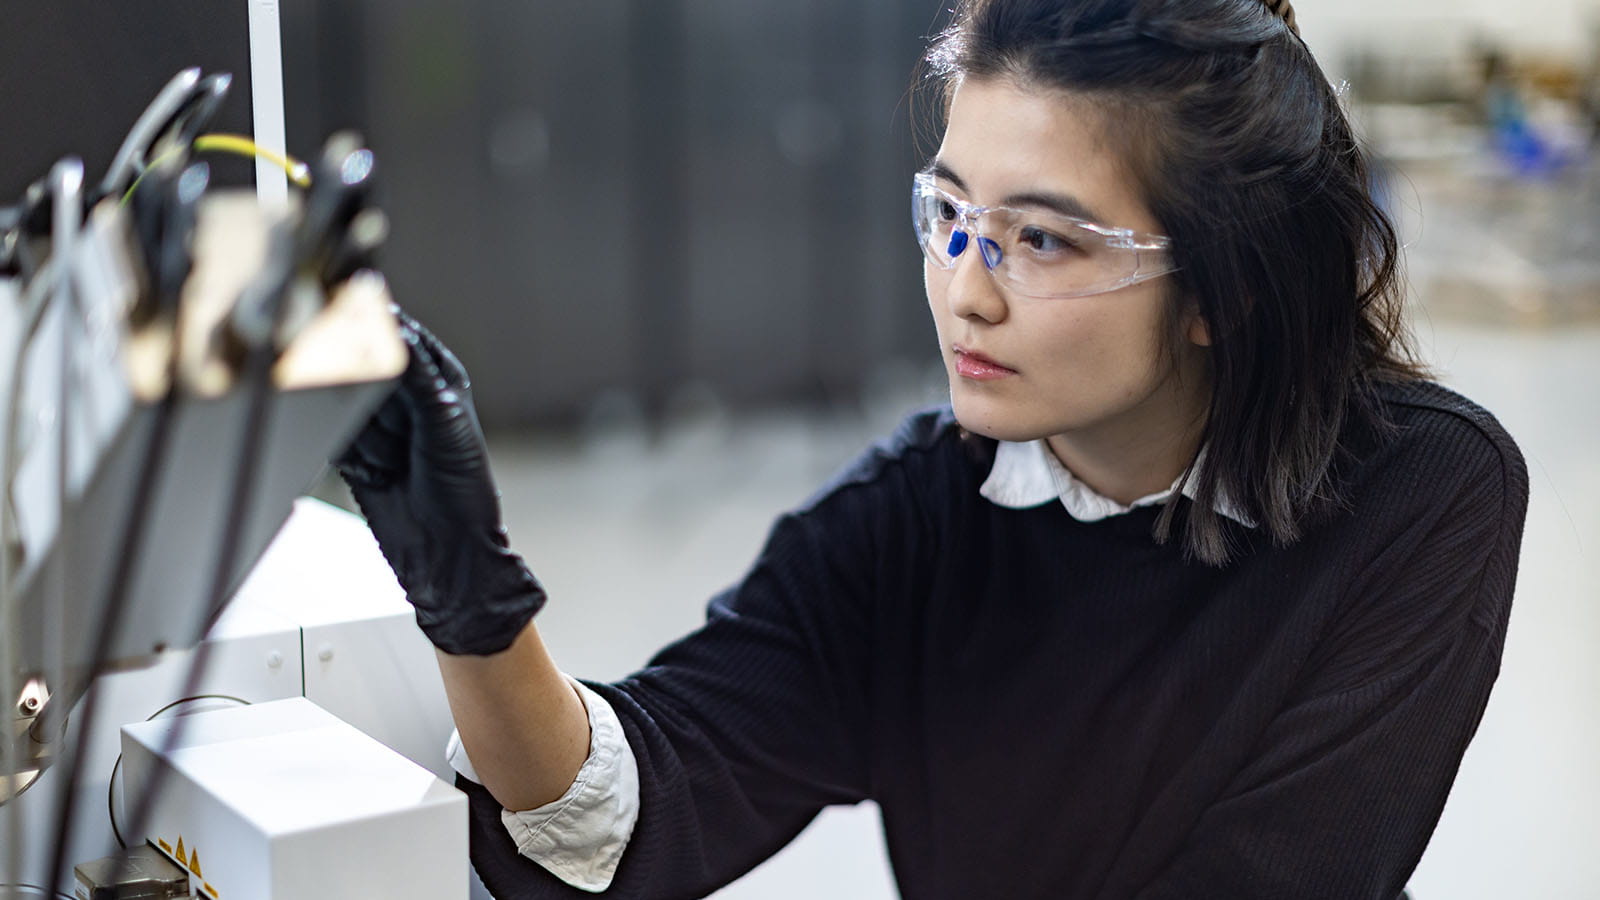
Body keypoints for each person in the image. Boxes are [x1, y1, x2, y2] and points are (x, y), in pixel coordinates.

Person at [334, 0, 1529, 897]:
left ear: (1224, 284)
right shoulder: (914, 519)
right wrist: (472, 598)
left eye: (1043, 241)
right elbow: (643, 802)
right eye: (948, 215)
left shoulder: (1419, 492)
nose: (963, 290)